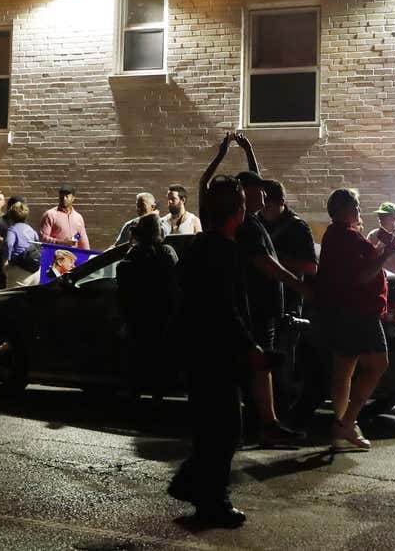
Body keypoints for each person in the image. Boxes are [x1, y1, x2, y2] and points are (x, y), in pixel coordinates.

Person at [198, 132, 307, 445]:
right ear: (242, 195)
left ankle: (265, 422)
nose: (264, 194)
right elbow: (204, 185)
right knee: (254, 365)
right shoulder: (238, 225)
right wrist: (220, 155)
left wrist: (247, 149)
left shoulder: (251, 218)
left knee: (258, 367)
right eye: (257, 190)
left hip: (262, 308)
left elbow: (253, 180)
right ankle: (259, 423)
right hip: (252, 308)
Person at [166, 175, 260, 527]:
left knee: (212, 427)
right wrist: (249, 346)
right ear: (238, 211)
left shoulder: (199, 248)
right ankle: (211, 500)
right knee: (225, 429)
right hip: (215, 353)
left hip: (196, 350)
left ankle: (193, 484)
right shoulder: (224, 251)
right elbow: (226, 307)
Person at [314, 188, 395, 451]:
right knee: (378, 365)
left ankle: (343, 423)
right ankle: (347, 422)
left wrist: (381, 247)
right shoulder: (347, 237)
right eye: (356, 206)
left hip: (342, 311)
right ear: (344, 210)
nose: (359, 211)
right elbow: (361, 276)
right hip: (360, 312)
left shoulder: (334, 235)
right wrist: (385, 254)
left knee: (344, 369)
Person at [117, 212, 178, 401]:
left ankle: (135, 402)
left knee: (137, 362)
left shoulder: (133, 255)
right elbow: (177, 283)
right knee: (158, 362)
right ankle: (157, 402)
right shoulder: (166, 252)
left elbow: (123, 285)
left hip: (137, 317)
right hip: (161, 317)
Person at [259, 179, 317, 314]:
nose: (263, 211)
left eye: (268, 207)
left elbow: (311, 267)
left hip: (289, 301)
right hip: (261, 300)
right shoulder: (256, 223)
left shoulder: (298, 227)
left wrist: (272, 261)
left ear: (281, 202)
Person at [1, 200, 41, 286]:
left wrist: (6, 261)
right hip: (35, 270)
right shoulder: (31, 230)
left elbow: (8, 244)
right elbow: (38, 245)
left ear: (11, 216)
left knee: (14, 296)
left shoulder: (12, 230)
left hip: (18, 268)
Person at [39, 184, 89, 249]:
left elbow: (82, 238)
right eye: (61, 196)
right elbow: (43, 238)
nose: (64, 198)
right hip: (55, 255)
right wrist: (62, 242)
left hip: (72, 256)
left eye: (67, 196)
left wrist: (88, 255)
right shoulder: (50, 215)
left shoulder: (78, 217)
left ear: (73, 198)